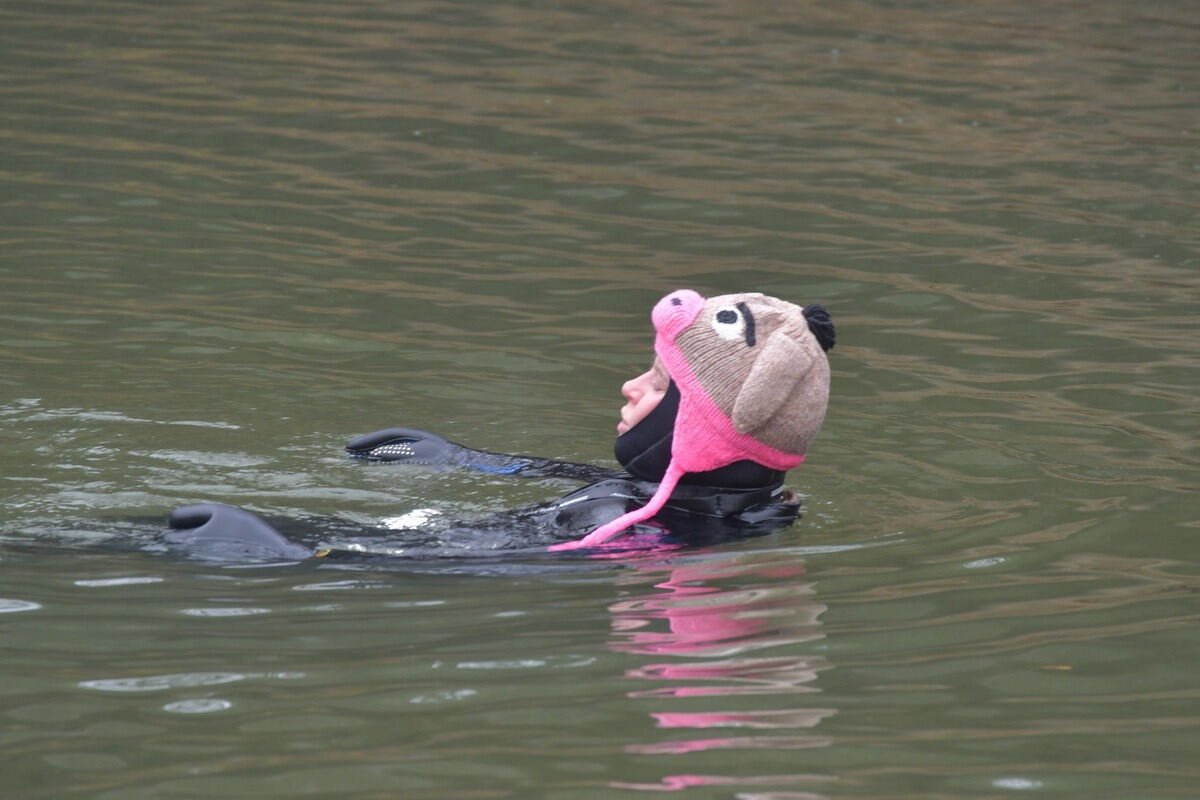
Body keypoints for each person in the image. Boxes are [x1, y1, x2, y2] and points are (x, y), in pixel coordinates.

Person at [164, 289, 835, 560]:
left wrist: (289, 560)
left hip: (362, 553)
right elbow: (584, 476)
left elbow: (477, 566)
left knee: (122, 540)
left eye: (658, 384)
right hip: (377, 538)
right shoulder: (715, 502)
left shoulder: (640, 530)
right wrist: (463, 459)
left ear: (698, 427)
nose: (630, 388)